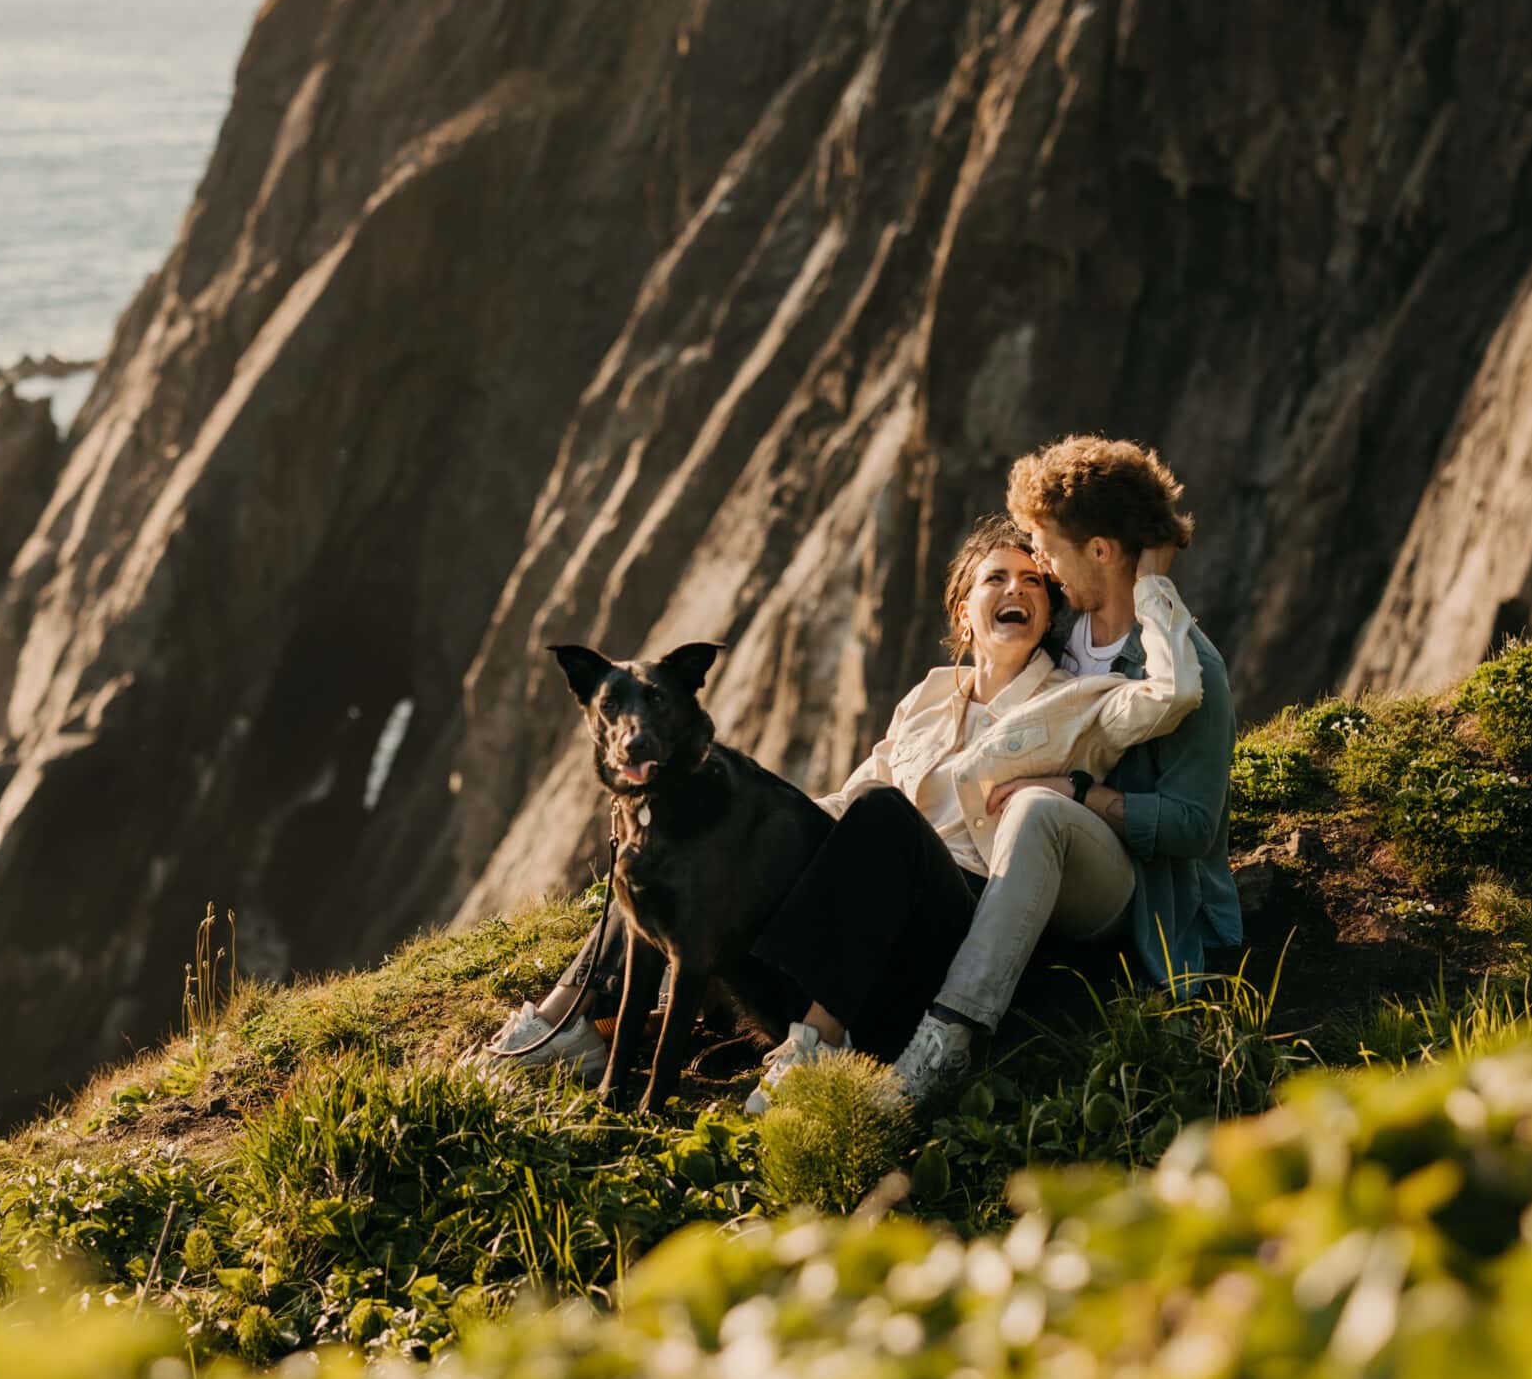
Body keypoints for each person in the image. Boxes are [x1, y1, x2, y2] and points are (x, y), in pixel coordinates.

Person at [481, 511, 1205, 1111]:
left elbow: (1173, 696)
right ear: (965, 610)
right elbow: (839, 802)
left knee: (888, 814)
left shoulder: (1075, 699)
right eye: (997, 577)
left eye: (1033, 581)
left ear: (1047, 610)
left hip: (949, 925)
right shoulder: (926, 698)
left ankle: (815, 1050)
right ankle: (568, 1021)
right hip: (845, 943)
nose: (1017, 588)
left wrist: (1152, 581)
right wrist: (742, 821)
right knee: (714, 805)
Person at [882, 437, 1245, 1103]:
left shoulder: (1191, 666)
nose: (1038, 563)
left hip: (1140, 891)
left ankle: (949, 1039)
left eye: (1046, 547)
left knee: (1038, 809)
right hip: (1020, 872)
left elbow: (1195, 829)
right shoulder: (1064, 638)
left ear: (1101, 551)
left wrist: (1083, 792)